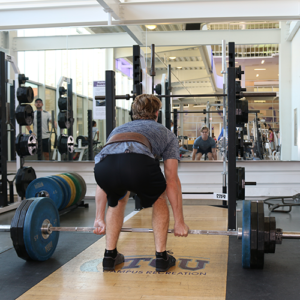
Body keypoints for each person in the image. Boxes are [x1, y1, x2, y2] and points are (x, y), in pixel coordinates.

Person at [93, 94, 189, 272]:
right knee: (159, 196)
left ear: (133, 113)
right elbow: (172, 179)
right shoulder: (165, 133)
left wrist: (98, 217)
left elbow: (103, 181)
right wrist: (179, 222)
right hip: (137, 165)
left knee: (117, 197)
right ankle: (161, 258)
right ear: (156, 113)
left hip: (104, 171)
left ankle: (109, 255)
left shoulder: (117, 130)